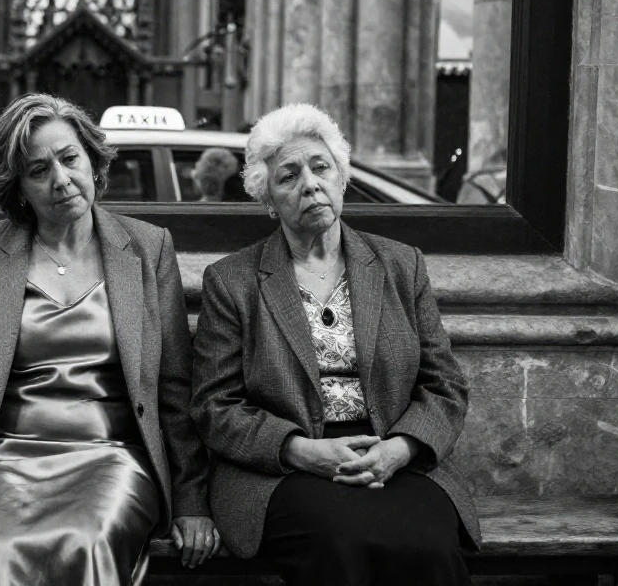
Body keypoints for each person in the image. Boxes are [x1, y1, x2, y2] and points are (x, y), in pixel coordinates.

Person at [0, 94, 219, 584]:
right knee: (6, 543)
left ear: (94, 161)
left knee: (90, 537)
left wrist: (192, 503)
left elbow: (173, 386)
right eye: (38, 171)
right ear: (18, 188)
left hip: (113, 454)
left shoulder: (148, 248)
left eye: (69, 158)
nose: (60, 180)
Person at [190, 103, 478, 585]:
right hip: (283, 469)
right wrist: (302, 451)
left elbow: (444, 385)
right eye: (288, 177)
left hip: (392, 458)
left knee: (425, 546)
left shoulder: (400, 266)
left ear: (341, 178)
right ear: (268, 199)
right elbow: (214, 405)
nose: (309, 184)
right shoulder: (233, 281)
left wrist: (400, 449)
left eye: (320, 167)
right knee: (339, 541)